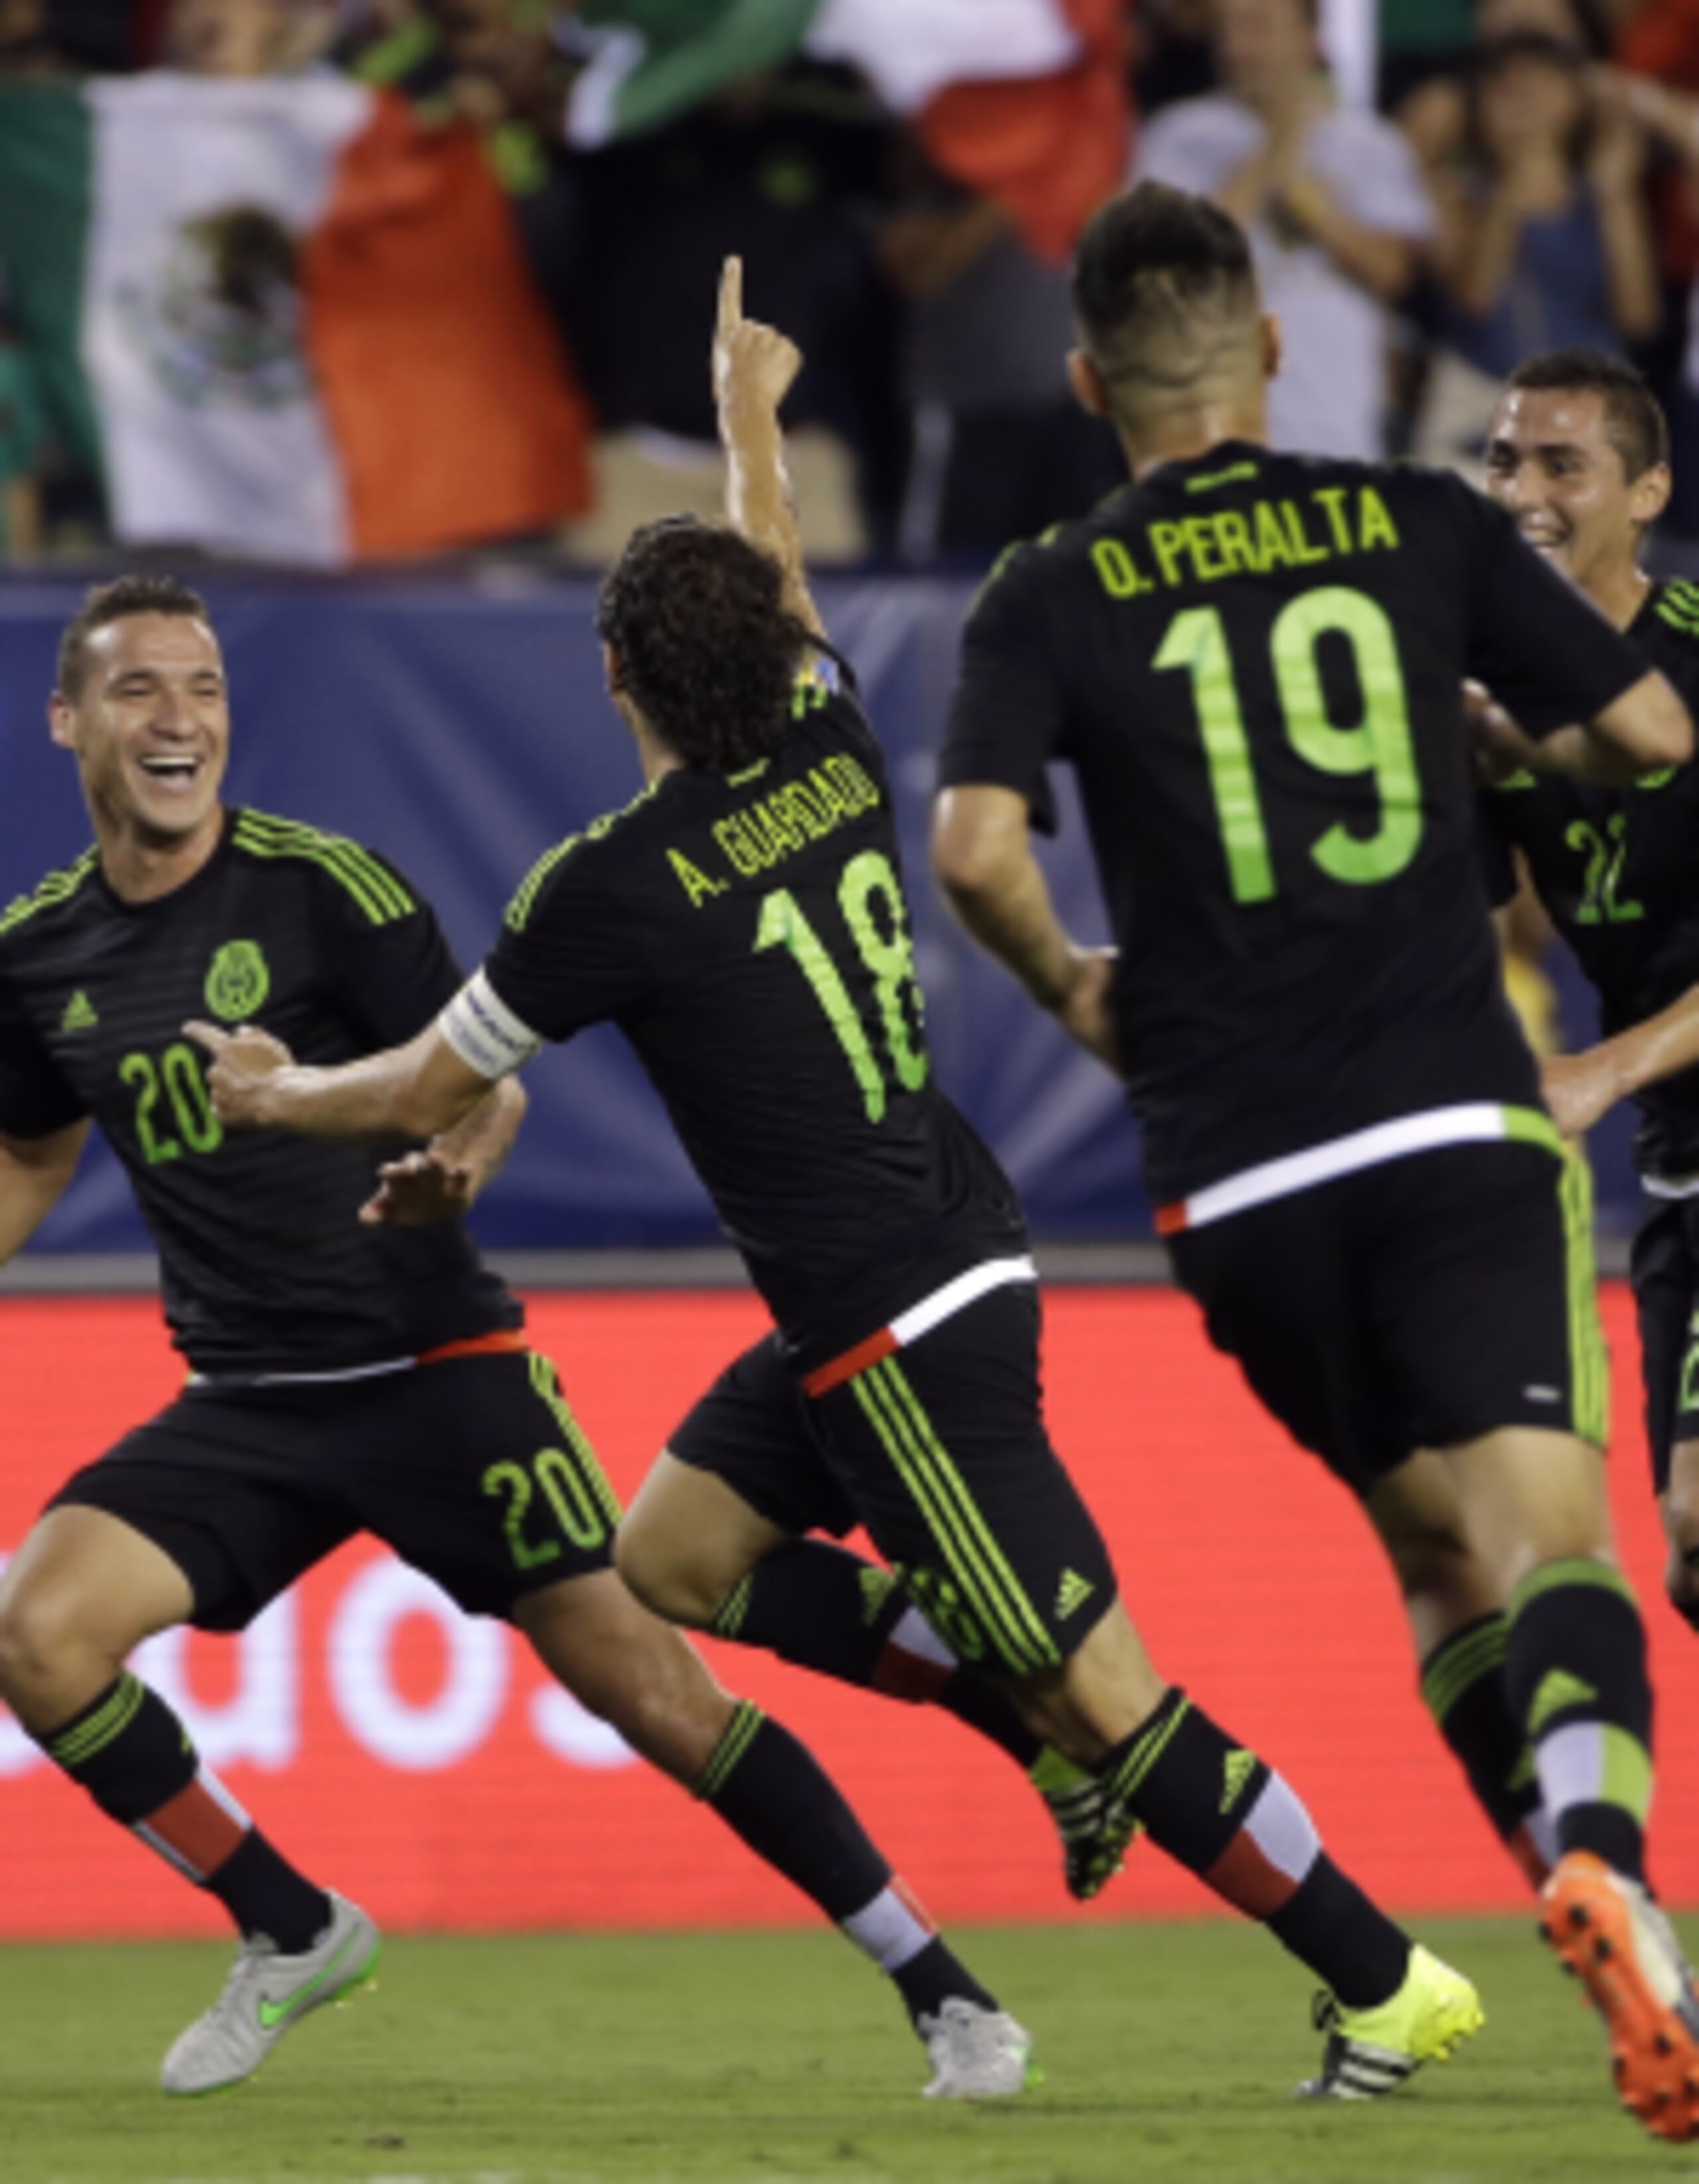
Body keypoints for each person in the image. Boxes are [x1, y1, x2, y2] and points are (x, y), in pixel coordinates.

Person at [196, 254, 1487, 2109]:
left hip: (898, 1327)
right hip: (911, 1266)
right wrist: (750, 414)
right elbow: (784, 574)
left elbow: (415, 1082)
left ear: (618, 671)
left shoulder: (609, 887)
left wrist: (266, 1091)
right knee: (673, 1555)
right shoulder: (830, 734)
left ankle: (1388, 1981)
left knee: (1099, 1689)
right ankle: (1018, 1718)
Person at [0, 575, 1036, 2105]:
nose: (180, 721)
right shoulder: (36, 953)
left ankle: (941, 1990)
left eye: (205, 688)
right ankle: (292, 1928)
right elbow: (28, 1158)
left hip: (437, 1376)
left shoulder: (326, 891)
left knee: (656, 1696)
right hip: (243, 1399)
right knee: (37, 1634)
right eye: (142, 691)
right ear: (68, 719)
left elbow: (484, 1081)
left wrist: (452, 1175)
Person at [930, 179, 1699, 2145]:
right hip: (1449, 1121)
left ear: (1091, 379)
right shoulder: (1412, 520)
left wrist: (1084, 996)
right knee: (1555, 1543)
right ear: (1271, 350)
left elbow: (974, 851)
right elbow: (1647, 731)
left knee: (1430, 1559)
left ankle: (1558, 1877)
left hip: (1233, 1176)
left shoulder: (1046, 584)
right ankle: (1606, 1854)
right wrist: (1530, 755)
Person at [1477, 348, 1699, 1626]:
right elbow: (1465, 917)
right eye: (1506, 458)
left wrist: (1600, 1069)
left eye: (1566, 464)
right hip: (1678, 1147)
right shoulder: (1477, 693)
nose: (1525, 492)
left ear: (1650, 491)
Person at [1134, 0, 1434, 461]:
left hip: (1336, 437)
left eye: (1257, 26)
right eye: (1227, 29)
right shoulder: (1177, 137)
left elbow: (1393, 274)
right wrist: (1275, 149)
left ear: (1308, 35)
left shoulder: (1369, 143)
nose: (1237, 47)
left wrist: (1310, 206)